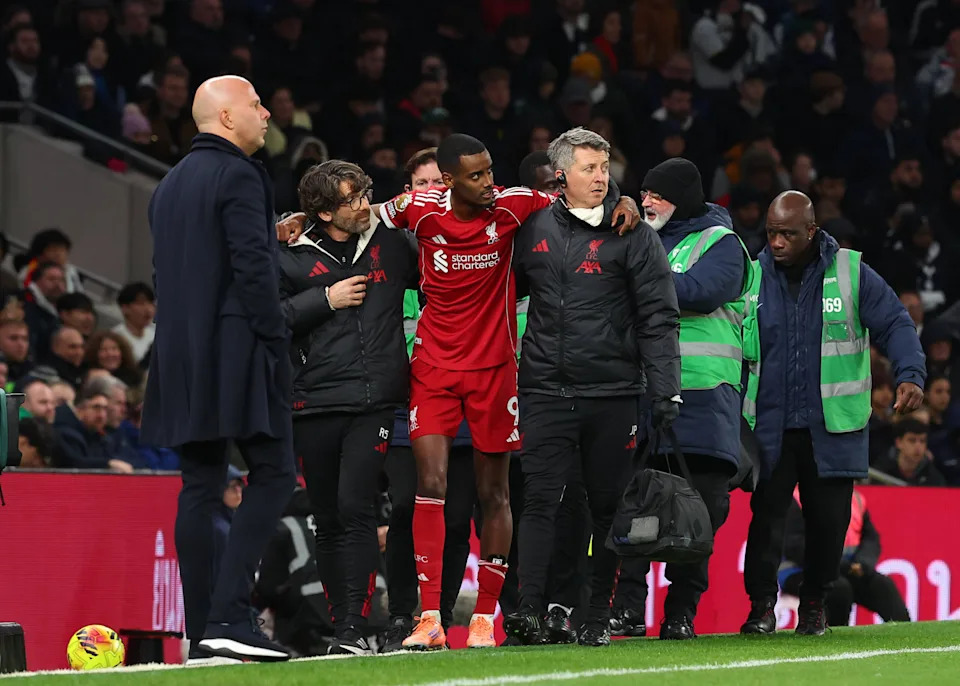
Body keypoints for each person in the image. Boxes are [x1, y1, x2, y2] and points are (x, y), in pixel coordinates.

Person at [375, 133, 639, 649]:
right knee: (431, 484)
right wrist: (298, 222)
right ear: (448, 181)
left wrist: (621, 198)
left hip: (495, 369)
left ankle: (483, 618)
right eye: (475, 175)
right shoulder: (420, 210)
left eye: (490, 170)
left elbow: (575, 196)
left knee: (494, 492)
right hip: (434, 366)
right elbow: (360, 216)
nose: (488, 182)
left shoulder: (514, 204)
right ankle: (430, 618)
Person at [504, 128, 681, 647]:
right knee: (539, 501)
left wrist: (665, 390)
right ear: (561, 175)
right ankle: (528, 610)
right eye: (589, 168)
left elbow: (658, 314)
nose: (601, 177)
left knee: (607, 509)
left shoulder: (634, 232)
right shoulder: (532, 227)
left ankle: (597, 616)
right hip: (544, 388)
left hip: (612, 392)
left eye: (605, 168)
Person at [142, 75, 297, 663]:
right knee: (275, 473)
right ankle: (231, 617)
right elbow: (252, 269)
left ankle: (203, 630)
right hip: (237, 348)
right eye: (256, 105)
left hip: (181, 352)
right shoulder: (241, 174)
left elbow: (172, 270)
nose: (266, 113)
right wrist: (276, 338)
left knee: (200, 485)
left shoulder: (169, 184)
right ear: (228, 118)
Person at [740, 191, 925, 636]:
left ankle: (815, 606)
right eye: (771, 233)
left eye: (787, 234)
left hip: (833, 427)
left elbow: (896, 322)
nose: (777, 242)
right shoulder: (750, 275)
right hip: (769, 426)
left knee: (829, 524)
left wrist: (910, 374)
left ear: (811, 231)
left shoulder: (850, 271)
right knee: (766, 522)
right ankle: (762, 607)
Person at [278, 160, 417, 655]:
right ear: (322, 211)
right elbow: (266, 318)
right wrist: (325, 299)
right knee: (328, 516)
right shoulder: (289, 252)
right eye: (351, 199)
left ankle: (355, 627)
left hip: (373, 400)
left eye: (364, 194)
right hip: (313, 400)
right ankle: (344, 629)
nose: (363, 205)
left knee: (356, 508)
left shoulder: (392, 243)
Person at [611, 157, 751, 641]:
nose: (646, 201)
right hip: (641, 392)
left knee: (702, 509)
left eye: (658, 194)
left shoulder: (721, 243)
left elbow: (701, 291)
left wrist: (635, 278)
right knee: (634, 502)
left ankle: (681, 612)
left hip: (705, 396)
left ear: (684, 197)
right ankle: (628, 609)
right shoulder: (636, 236)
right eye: (644, 193)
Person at [780, 487, 911, 626]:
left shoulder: (855, 499)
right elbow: (796, 547)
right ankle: (838, 635)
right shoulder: (797, 499)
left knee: (883, 586)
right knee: (839, 589)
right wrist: (841, 565)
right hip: (802, 570)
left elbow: (870, 539)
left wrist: (862, 564)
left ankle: (905, 633)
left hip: (846, 569)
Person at [873, 419, 947, 486]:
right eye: (912, 440)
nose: (918, 447)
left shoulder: (934, 478)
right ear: (899, 443)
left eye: (922, 441)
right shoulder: (880, 472)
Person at [112, 282, 156, 364]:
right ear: (125, 308)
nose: (148, 309)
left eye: (151, 303)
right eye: (141, 303)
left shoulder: (154, 335)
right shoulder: (116, 337)